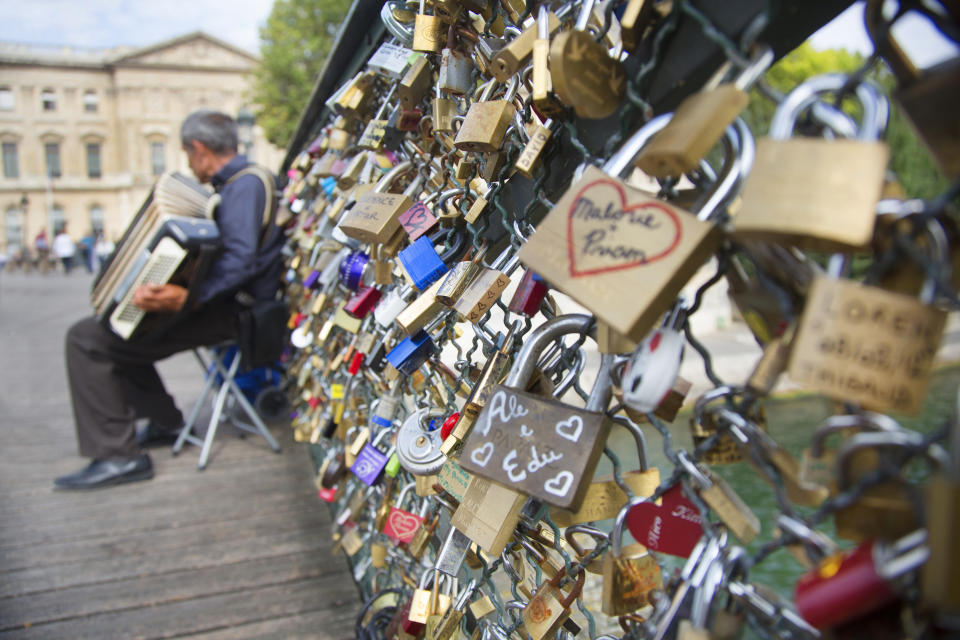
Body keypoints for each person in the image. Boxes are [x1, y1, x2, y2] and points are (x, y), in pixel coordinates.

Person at [54, 110, 283, 490]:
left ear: (198, 149)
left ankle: (118, 456)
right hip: (232, 307)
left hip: (230, 313)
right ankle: (164, 423)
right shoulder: (246, 182)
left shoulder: (243, 186)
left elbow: (239, 262)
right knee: (119, 330)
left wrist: (187, 298)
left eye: (188, 155)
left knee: (88, 339)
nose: (190, 164)